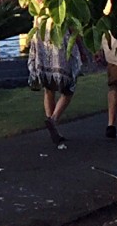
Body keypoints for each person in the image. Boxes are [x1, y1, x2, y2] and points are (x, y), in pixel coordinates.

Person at [24, 12, 84, 149]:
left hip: (45, 53)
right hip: (61, 53)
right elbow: (73, 29)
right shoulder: (62, 8)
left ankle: (53, 128)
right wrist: (81, 49)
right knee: (68, 90)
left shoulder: (39, 8)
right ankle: (53, 119)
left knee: (49, 90)